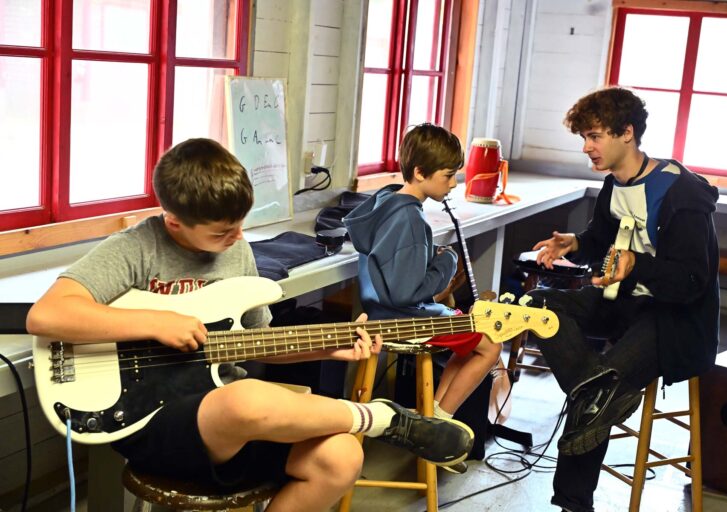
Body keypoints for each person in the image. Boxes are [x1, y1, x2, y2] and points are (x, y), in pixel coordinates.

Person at [25, 138, 474, 512]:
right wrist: (156, 321)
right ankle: (380, 418)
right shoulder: (135, 247)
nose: (237, 239)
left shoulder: (236, 249)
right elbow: (46, 315)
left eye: (240, 226)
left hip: (233, 420)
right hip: (153, 420)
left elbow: (254, 343)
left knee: (341, 455)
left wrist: (325, 349)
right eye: (221, 232)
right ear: (174, 221)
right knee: (242, 399)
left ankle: (366, 425)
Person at [529, 86, 719, 511]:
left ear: (627, 133)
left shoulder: (682, 193)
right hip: (623, 306)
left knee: (596, 392)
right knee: (537, 305)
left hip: (673, 319)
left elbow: (692, 279)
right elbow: (604, 242)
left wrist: (636, 266)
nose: (586, 148)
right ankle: (596, 391)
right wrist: (577, 243)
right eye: (583, 138)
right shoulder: (613, 185)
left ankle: (572, 504)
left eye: (594, 136)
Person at [344, 123, 502, 473]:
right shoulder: (411, 220)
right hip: (402, 318)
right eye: (448, 176)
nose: (453, 183)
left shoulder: (385, 202)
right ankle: (435, 429)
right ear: (419, 172)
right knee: (489, 344)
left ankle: (432, 419)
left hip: (382, 313)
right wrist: (446, 260)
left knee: (471, 337)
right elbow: (407, 290)